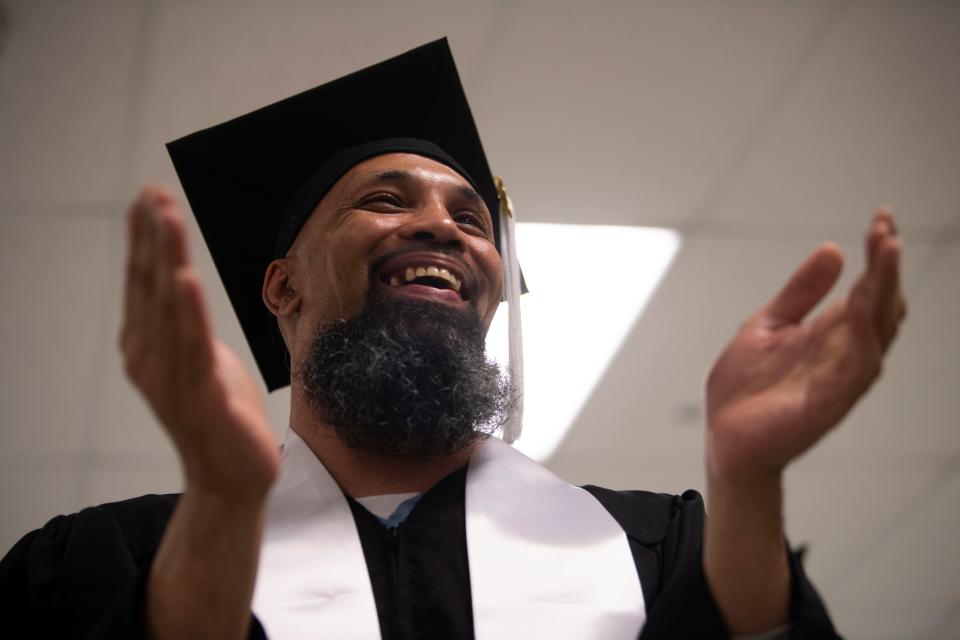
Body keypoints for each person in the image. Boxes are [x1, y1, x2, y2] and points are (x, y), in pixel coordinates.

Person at [0, 39, 905, 640]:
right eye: (386, 199)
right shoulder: (97, 562)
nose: (444, 228)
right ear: (282, 285)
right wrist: (228, 509)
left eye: (473, 219)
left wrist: (746, 486)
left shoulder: (661, 548)